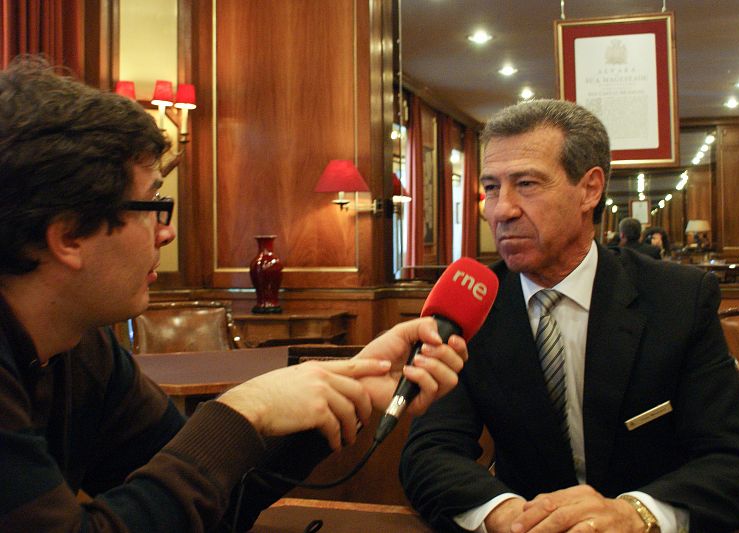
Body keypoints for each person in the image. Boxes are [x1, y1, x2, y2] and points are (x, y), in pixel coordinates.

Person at [0, 56, 468, 532]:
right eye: (153, 206)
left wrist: (349, 389)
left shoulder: (82, 348)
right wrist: (242, 411)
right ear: (69, 237)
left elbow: (203, 506)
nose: (167, 233)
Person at [399, 99, 739, 533]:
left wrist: (636, 514)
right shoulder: (471, 305)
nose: (501, 210)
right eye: (492, 187)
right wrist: (506, 515)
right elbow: (429, 452)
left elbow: (738, 464)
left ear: (590, 189)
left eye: (527, 184)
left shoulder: (678, 300)